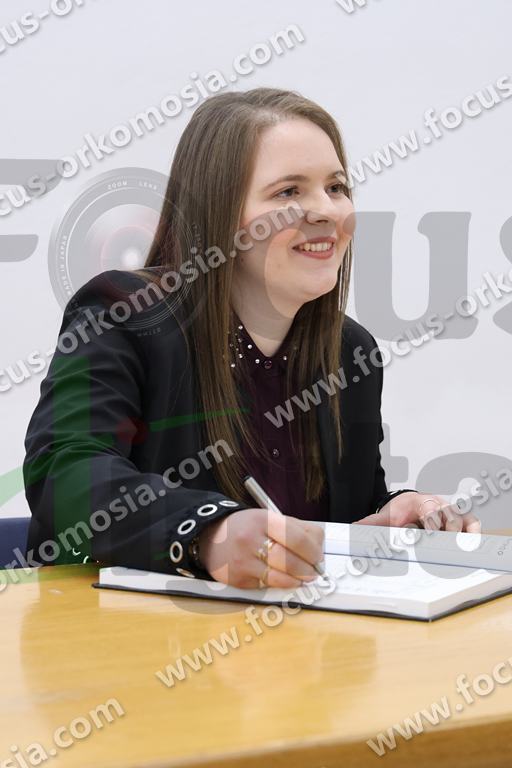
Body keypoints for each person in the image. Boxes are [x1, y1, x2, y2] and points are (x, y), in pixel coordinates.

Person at [22, 87, 480, 590]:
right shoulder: (124, 312)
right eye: (288, 192)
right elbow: (65, 475)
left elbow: (332, 527)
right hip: (120, 630)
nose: (327, 211)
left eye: (336, 187)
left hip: (292, 635)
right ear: (219, 213)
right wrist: (208, 533)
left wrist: (386, 519)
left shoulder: (351, 352)